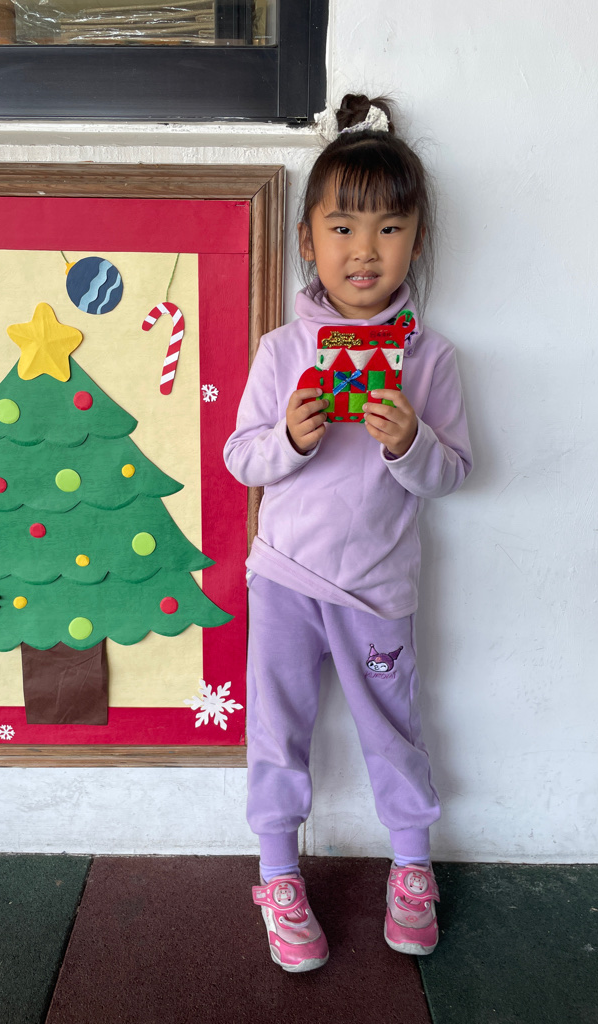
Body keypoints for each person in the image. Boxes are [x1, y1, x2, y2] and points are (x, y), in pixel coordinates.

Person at [223, 93, 473, 972]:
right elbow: (240, 458)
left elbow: (453, 473)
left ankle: (412, 866)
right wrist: (289, 441)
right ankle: (277, 874)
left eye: (389, 229)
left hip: (378, 587)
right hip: (285, 576)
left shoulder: (430, 359)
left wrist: (410, 444)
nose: (365, 250)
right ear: (308, 241)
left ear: (415, 242)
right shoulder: (281, 351)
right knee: (277, 727)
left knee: (392, 728)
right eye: (342, 228)